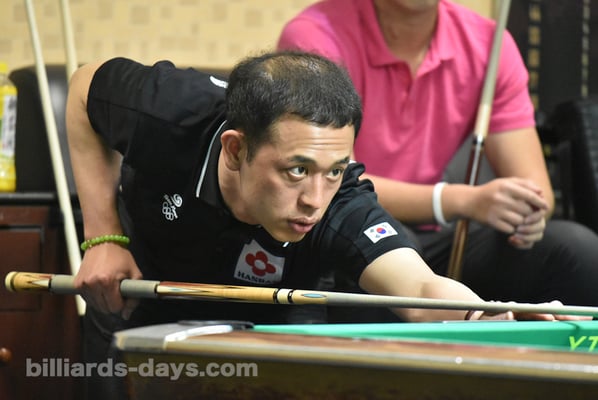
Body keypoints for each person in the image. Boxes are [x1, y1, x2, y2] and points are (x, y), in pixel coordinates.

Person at [66, 50, 584, 399]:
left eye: (333, 170)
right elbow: (85, 85)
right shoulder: (171, 111)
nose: (314, 200)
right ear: (236, 150)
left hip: (264, 328)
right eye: (296, 170)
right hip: (139, 290)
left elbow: (421, 287)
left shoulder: (340, 202)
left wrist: (488, 317)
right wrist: (103, 237)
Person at [277, 0, 598, 308]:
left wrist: (525, 210)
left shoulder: (489, 42)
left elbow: (536, 187)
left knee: (576, 249)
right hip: (354, 226)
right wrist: (462, 201)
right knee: (389, 250)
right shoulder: (316, 36)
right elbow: (335, 183)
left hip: (449, 240)